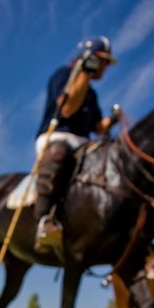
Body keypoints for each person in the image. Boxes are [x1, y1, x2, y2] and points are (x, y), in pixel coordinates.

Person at [33, 36, 118, 253]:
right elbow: (68, 108)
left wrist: (114, 119)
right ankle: (44, 221)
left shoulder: (91, 93)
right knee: (59, 154)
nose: (105, 68)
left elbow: (99, 128)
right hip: (57, 138)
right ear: (90, 58)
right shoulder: (64, 75)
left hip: (85, 143)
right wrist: (84, 74)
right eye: (104, 62)